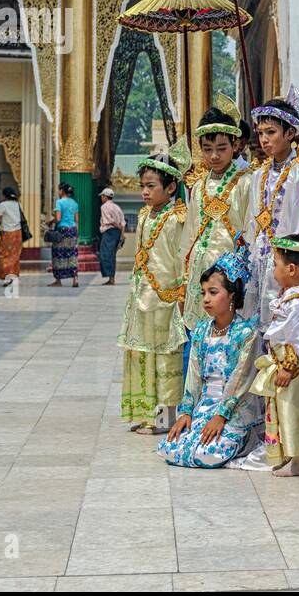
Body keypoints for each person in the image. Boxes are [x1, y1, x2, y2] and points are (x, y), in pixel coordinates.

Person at [158, 249, 262, 467]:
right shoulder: (202, 330)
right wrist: (186, 412)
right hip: (205, 405)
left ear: (232, 294)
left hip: (234, 409)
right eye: (203, 292)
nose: (205, 299)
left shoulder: (246, 333)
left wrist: (221, 416)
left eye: (213, 292)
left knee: (209, 453)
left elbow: (240, 379)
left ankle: (246, 439)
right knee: (171, 449)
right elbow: (194, 376)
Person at [119, 140, 190, 434]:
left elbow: (182, 257)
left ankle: (165, 418)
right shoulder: (145, 214)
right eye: (143, 186)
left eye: (151, 186)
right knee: (141, 354)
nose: (145, 192)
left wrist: (183, 293)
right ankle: (147, 413)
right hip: (142, 295)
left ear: (171, 188)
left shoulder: (179, 218)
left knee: (166, 357)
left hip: (166, 298)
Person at [248, 234, 299, 476]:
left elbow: (294, 336)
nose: (273, 270)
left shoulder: (298, 301)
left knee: (295, 412)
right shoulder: (289, 297)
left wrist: (288, 367)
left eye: (276, 264)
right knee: (283, 410)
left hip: (294, 369)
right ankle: (288, 456)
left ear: (291, 269)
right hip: (284, 365)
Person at [181, 94, 254, 337]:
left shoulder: (246, 183)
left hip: (228, 274)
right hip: (198, 272)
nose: (214, 156)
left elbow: (249, 231)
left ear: (235, 145)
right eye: (207, 149)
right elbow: (190, 233)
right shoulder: (199, 185)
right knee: (197, 337)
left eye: (221, 148)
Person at [244, 88, 299, 324]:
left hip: (289, 260)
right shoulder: (259, 173)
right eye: (261, 133)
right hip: (261, 258)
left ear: (289, 133)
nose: (264, 139)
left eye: (271, 132)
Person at [49, 182, 80, 287]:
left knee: (58, 254)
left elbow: (58, 219)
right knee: (72, 254)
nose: (58, 192)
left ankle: (58, 280)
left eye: (59, 190)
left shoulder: (59, 202)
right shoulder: (75, 203)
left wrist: (51, 222)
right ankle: (75, 279)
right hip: (72, 231)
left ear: (62, 191)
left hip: (62, 231)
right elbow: (76, 220)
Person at [0, 187, 23, 286]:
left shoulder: (2, 205)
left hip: (7, 233)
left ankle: (7, 276)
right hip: (18, 233)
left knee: (4, 255)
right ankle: (14, 275)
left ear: (4, 195)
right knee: (15, 255)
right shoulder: (18, 204)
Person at [97, 187, 125, 285]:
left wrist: (118, 227)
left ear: (105, 197)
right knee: (112, 255)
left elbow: (109, 221)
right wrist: (122, 233)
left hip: (109, 232)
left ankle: (110, 277)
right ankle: (111, 278)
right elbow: (123, 222)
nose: (101, 198)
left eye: (102, 196)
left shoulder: (104, 207)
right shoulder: (117, 207)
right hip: (116, 233)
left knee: (105, 254)